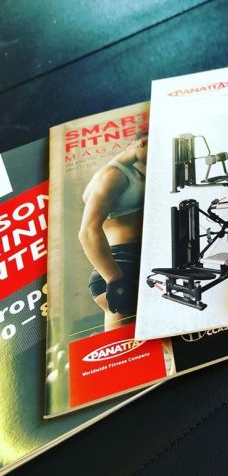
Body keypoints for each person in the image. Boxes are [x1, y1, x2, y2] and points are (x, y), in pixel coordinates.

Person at [79, 133, 147, 330]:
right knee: (124, 348)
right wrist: (116, 280)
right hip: (121, 267)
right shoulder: (111, 175)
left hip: (134, 264)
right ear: (142, 142)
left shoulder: (133, 173)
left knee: (160, 345)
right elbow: (87, 231)